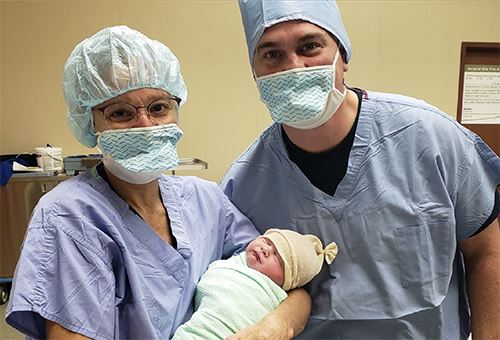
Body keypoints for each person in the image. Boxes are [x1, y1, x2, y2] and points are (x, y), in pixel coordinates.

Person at [5, 25, 310, 339]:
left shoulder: (204, 200)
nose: (145, 124)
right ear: (89, 121)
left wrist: (274, 326)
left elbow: (293, 285)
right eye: (121, 112)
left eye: (159, 108)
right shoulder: (69, 216)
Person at [221, 1, 500, 339]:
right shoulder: (244, 184)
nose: (294, 67)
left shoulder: (430, 138)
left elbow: (486, 249)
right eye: (271, 54)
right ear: (254, 70)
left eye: (309, 46)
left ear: (343, 55)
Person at [173, 229, 338, 339]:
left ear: (286, 282)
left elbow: (299, 303)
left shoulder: (275, 294)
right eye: (267, 242)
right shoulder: (232, 263)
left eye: (277, 257)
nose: (265, 250)